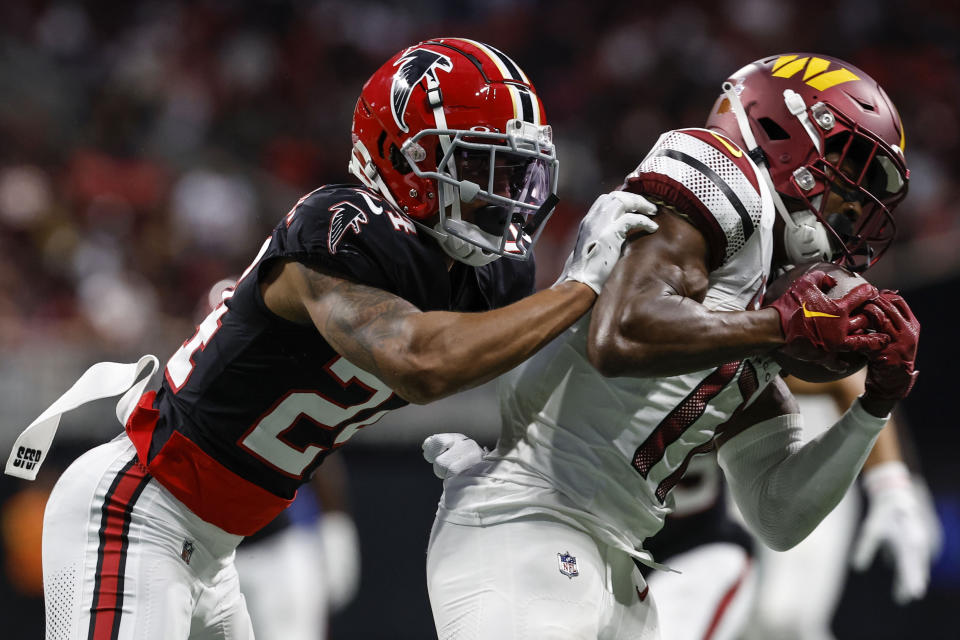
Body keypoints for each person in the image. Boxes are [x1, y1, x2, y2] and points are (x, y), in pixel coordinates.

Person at [8, 38, 659, 639]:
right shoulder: (340, 225)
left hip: (217, 549)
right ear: (408, 162)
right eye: (481, 169)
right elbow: (419, 361)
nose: (504, 197)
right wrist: (579, 287)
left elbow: (552, 354)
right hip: (140, 509)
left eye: (515, 174)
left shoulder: (490, 274)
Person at [423, 53, 920, 639]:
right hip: (531, 518)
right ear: (784, 130)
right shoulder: (721, 170)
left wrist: (873, 407)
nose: (855, 207)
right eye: (849, 167)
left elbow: (777, 514)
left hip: (613, 561)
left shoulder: (752, 295)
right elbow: (623, 332)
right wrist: (780, 327)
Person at [634, 372, 941, 640]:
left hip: (690, 545)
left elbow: (847, 377)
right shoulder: (603, 334)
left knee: (781, 617)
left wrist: (892, 484)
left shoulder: (718, 343)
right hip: (601, 540)